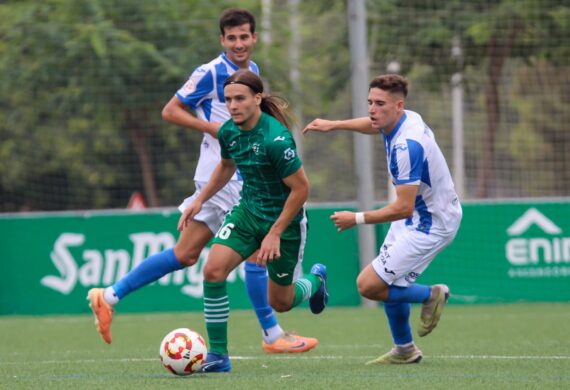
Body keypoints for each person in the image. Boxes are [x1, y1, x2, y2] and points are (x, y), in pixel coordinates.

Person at [87, 8, 318, 354]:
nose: (239, 44)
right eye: (231, 38)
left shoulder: (251, 72)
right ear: (222, 40)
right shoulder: (210, 72)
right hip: (228, 175)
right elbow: (171, 110)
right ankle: (272, 335)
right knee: (255, 254)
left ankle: (109, 295)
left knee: (186, 253)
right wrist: (215, 129)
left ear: (254, 38)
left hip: (235, 174)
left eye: (244, 37)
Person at [303, 74, 462, 365]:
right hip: (418, 213)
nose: (372, 110)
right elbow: (372, 125)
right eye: (370, 103)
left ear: (398, 106)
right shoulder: (405, 117)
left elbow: (402, 208)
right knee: (392, 280)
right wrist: (334, 125)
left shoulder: (407, 146)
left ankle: (431, 295)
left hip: (431, 222)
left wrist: (357, 218)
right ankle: (405, 350)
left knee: (369, 285)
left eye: (380, 104)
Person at [178, 69, 328, 372]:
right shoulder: (228, 131)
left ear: (257, 99)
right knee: (213, 271)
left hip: (284, 222)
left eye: (240, 99)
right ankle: (219, 356)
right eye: (229, 99)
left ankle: (315, 281)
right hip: (247, 212)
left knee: (281, 303)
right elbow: (225, 166)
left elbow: (301, 189)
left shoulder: (276, 139)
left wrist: (274, 233)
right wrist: (199, 200)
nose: (233, 105)